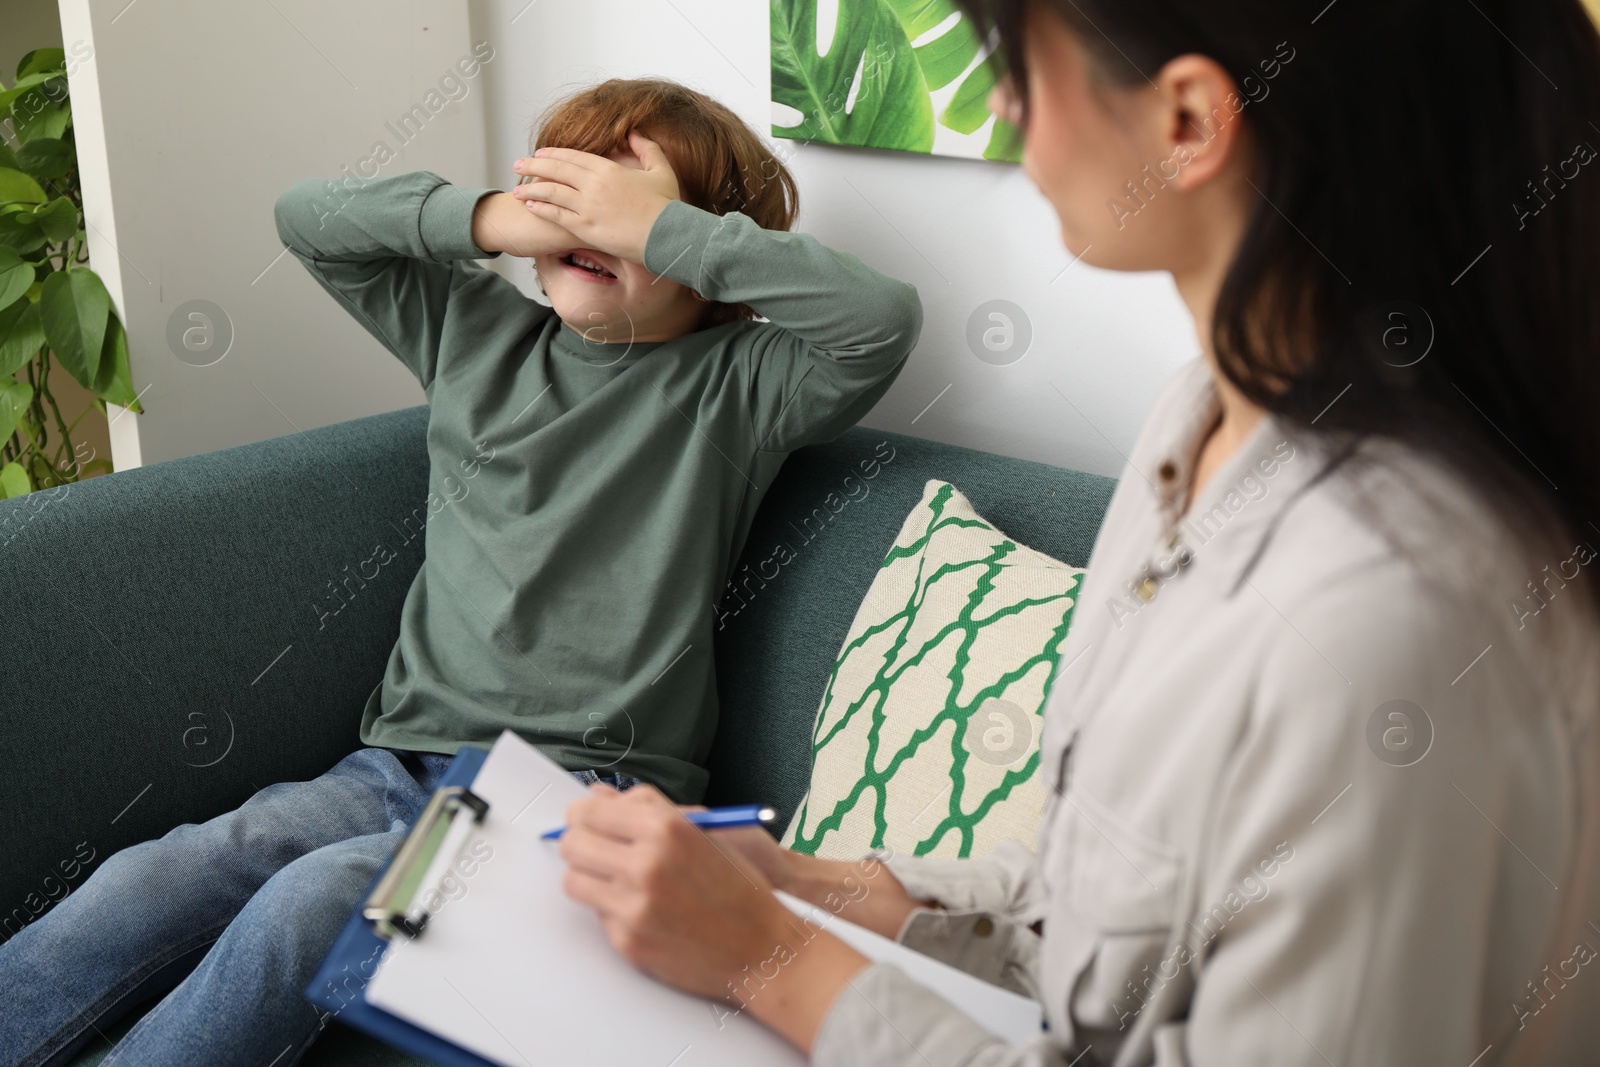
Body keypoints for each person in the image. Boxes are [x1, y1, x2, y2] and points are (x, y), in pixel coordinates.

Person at [548, 3, 1600, 1065]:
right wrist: (794, 882)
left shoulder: (1388, 616)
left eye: (1022, 71)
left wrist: (768, 957)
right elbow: (1100, 905)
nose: (1004, 106)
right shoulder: (1197, 422)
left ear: (1186, 121)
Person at [0, 78, 921, 1066]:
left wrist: (656, 229)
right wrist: (490, 218)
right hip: (393, 765)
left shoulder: (739, 385)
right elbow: (308, 218)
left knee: (315, 903)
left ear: (699, 250)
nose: (590, 212)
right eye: (570, 187)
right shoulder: (475, 334)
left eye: (635, 202)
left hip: (572, 802)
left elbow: (878, 319)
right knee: (163, 871)